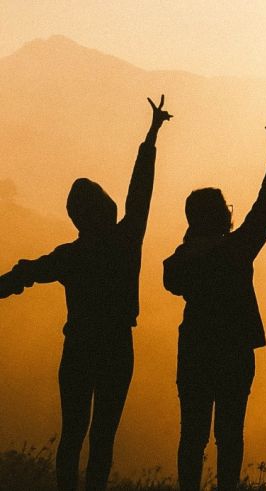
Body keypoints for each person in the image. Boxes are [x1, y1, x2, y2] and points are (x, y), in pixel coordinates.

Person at [0, 96, 171, 491]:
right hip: (117, 345)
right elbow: (140, 193)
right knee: (103, 435)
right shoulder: (126, 240)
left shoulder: (71, 256)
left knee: (72, 432)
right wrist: (151, 137)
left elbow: (24, 274)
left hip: (78, 346)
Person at [163, 122, 266, 491]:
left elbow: (171, 281)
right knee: (230, 433)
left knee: (192, 434)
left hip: (195, 350)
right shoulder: (237, 249)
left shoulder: (182, 258)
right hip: (235, 350)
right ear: (222, 215)